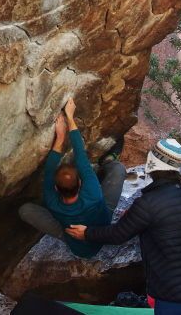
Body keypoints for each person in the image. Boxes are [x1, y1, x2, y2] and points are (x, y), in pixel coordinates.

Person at [66, 139, 181, 315]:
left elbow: (118, 235)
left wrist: (87, 233)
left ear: (153, 163)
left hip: (175, 296)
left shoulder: (148, 203)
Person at [18, 98, 126, 258]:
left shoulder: (52, 201)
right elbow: (80, 155)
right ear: (81, 183)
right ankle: (108, 161)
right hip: (102, 223)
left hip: (75, 242)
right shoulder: (93, 192)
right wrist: (69, 117)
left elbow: (49, 171)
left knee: (25, 210)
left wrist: (59, 138)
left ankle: (65, 232)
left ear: (55, 188)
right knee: (118, 169)